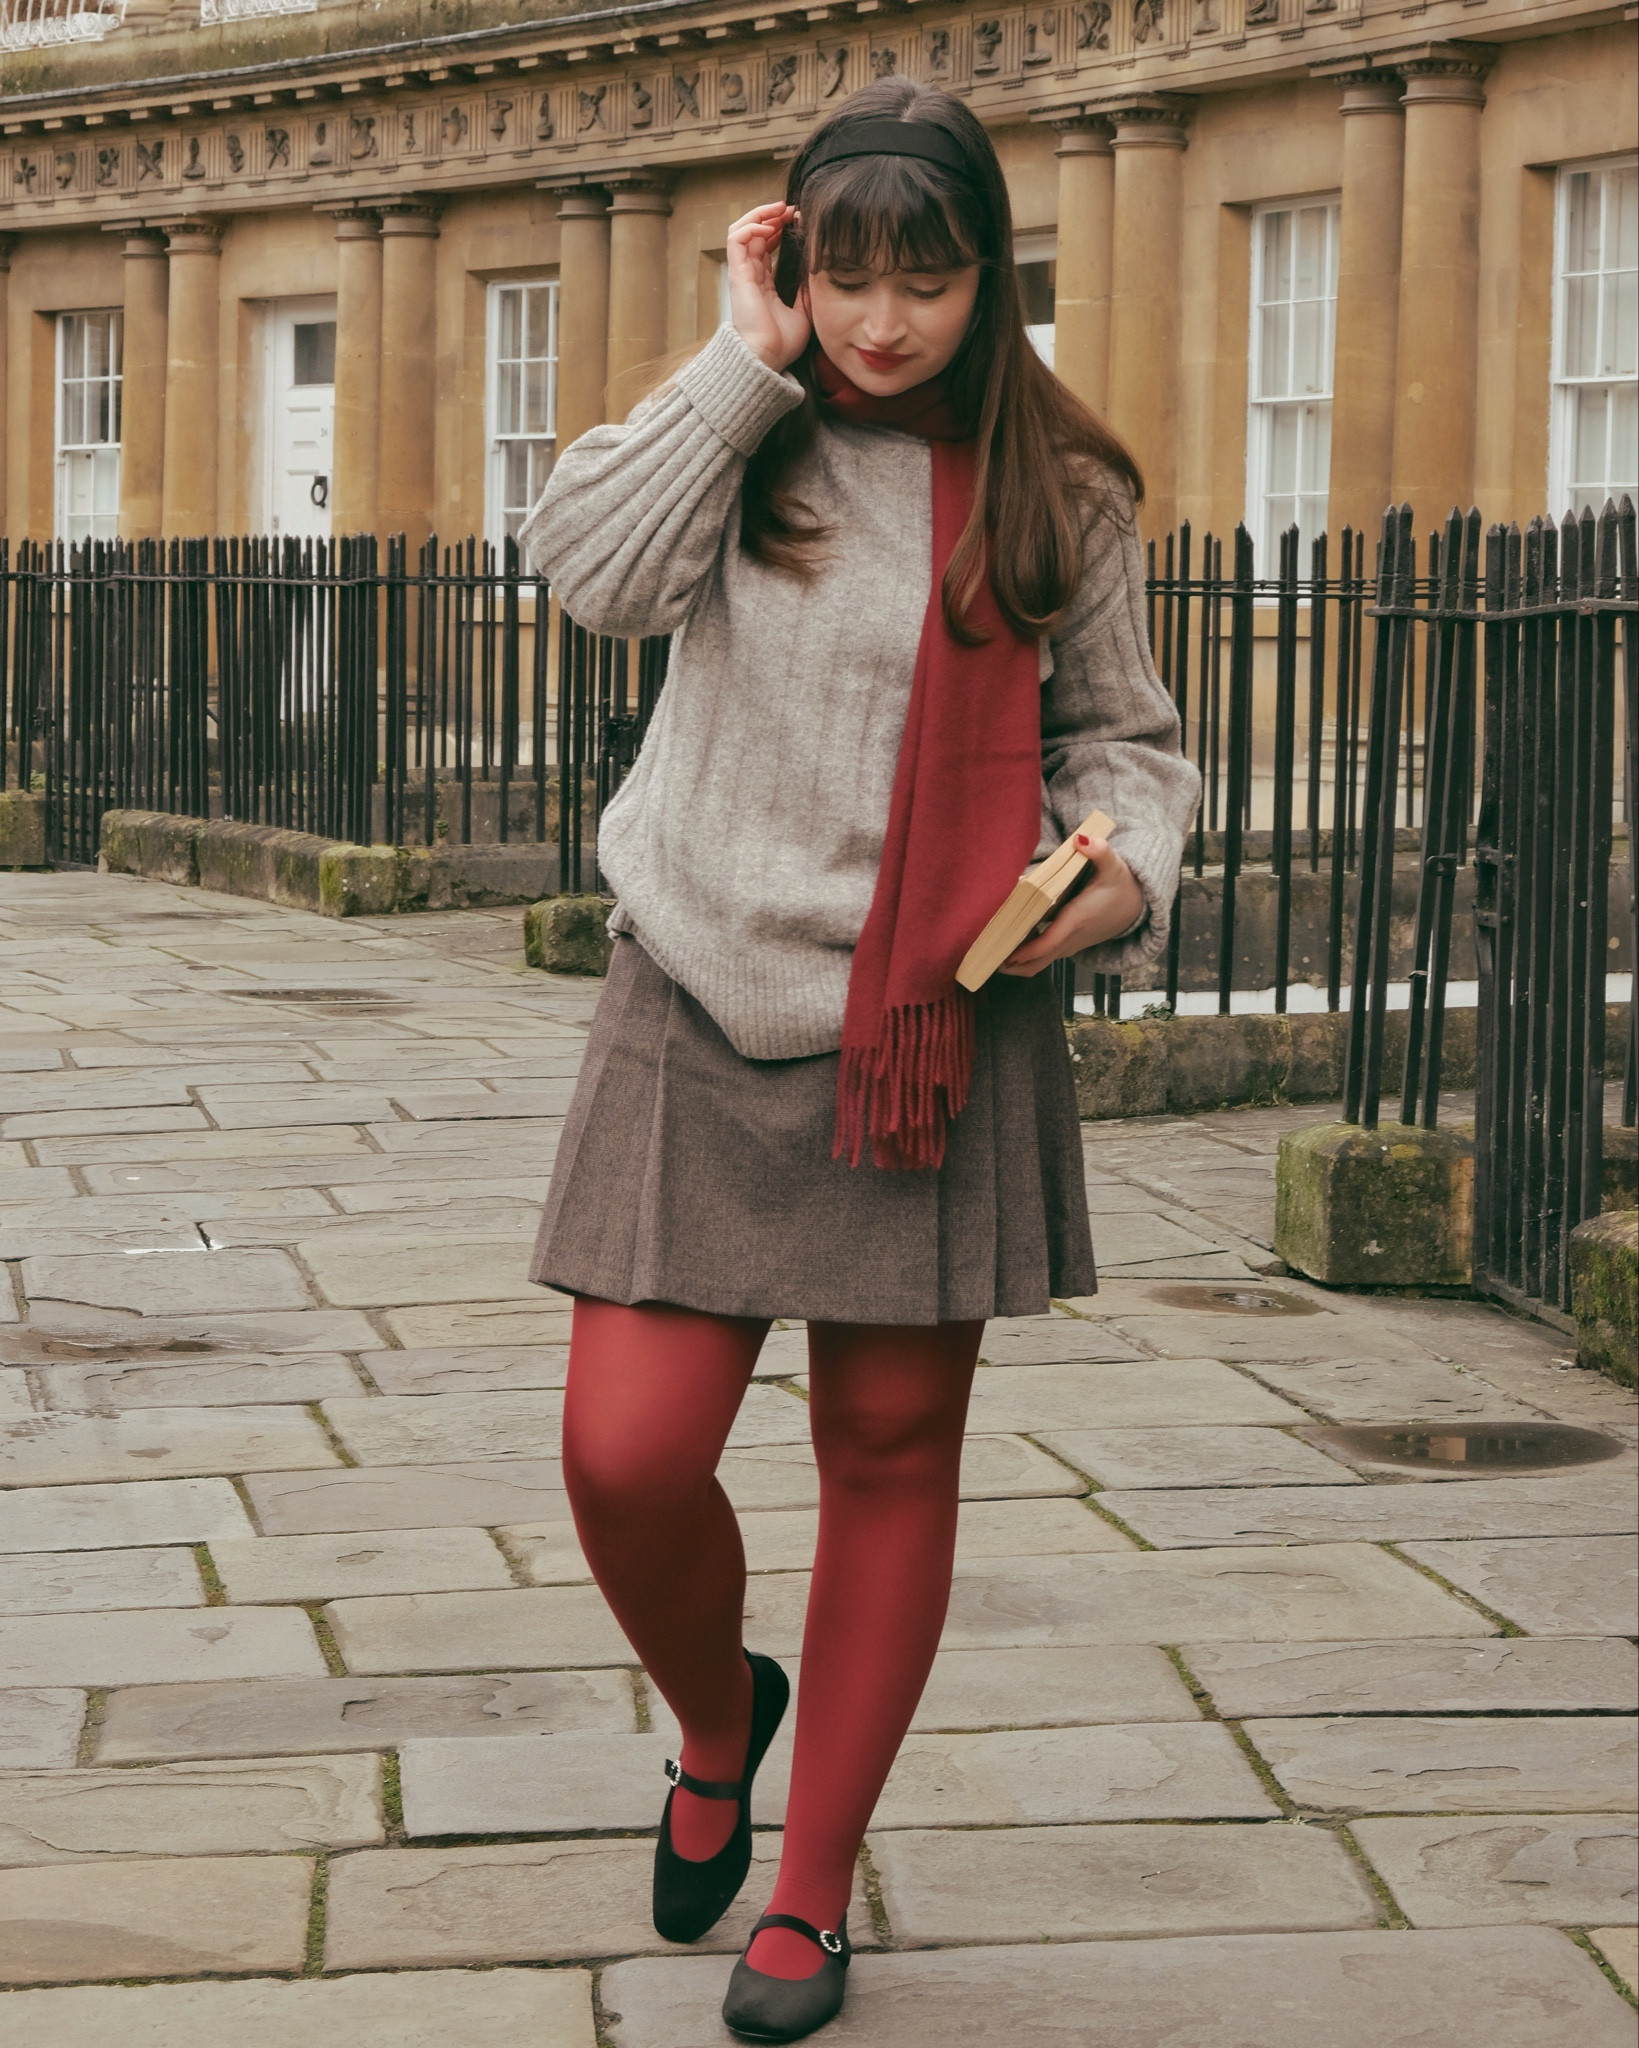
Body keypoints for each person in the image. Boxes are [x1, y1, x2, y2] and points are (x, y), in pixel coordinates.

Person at [521, 76, 1200, 2044]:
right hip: (698, 996)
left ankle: (811, 1895)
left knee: (889, 1455)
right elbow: (588, 577)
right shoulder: (749, 435)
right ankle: (720, 1719)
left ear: (992, 280)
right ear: (792, 261)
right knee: (625, 1455)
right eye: (849, 276)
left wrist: (1119, 868)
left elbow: (1128, 746)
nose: (885, 322)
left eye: (930, 278)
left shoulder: (1065, 495)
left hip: (934, 1030)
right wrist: (740, 364)